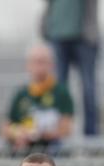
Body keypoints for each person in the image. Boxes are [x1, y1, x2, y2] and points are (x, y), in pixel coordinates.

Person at [2, 45, 74, 155]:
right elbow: (6, 129)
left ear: (52, 65)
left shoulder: (61, 93)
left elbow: (66, 130)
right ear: (28, 65)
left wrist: (37, 134)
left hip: (51, 150)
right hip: (25, 149)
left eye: (43, 61)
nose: (38, 66)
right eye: (35, 62)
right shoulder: (21, 94)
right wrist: (19, 132)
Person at [42, 0, 98, 136]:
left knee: (88, 89)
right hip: (57, 35)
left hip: (84, 37)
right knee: (58, 91)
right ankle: (58, 137)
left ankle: (92, 137)